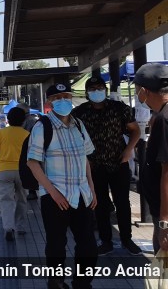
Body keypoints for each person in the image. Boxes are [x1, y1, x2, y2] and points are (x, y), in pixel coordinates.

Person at [26, 83, 97, 289]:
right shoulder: (42, 127)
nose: (63, 100)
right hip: (55, 196)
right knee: (56, 245)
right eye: (58, 98)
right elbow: (33, 162)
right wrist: (52, 192)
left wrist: (91, 188)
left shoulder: (79, 125)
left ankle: (82, 283)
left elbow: (85, 158)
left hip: (82, 194)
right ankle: (56, 282)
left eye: (66, 96)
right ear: (50, 102)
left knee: (88, 246)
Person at [71, 75, 142, 256]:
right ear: (87, 93)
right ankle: (106, 240)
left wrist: (128, 151)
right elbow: (73, 137)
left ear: (106, 89)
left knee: (122, 202)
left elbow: (136, 131)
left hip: (118, 162)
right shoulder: (79, 112)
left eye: (100, 88)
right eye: (93, 89)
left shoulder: (120, 109)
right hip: (94, 166)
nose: (97, 91)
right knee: (100, 204)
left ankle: (127, 238)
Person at [134, 63, 168, 254]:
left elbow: (167, 172)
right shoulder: (160, 115)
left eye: (137, 90)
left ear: (145, 91)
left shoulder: (164, 118)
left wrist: (164, 222)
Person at [0, 107, 30, 241]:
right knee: (22, 199)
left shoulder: (2, 132)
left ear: (8, 120)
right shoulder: (27, 134)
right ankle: (21, 227)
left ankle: (8, 228)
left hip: (4, 170)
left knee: (6, 200)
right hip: (23, 171)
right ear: (23, 120)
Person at [18, 102, 40, 201]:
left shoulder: (29, 120)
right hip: (29, 148)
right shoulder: (29, 119)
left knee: (31, 170)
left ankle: (32, 191)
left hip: (31, 148)